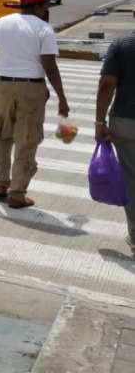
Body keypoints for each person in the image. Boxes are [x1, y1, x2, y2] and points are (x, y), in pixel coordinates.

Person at [0, 0, 69, 209]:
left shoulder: (2, 23)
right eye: (44, 5)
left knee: (2, 134)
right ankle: (16, 194)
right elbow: (49, 66)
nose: (46, 8)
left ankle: (1, 184)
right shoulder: (44, 29)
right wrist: (62, 98)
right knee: (27, 140)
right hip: (30, 89)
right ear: (38, 6)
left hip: (3, 86)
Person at [94, 35, 135, 250]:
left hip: (126, 122)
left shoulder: (122, 45)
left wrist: (99, 121)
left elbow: (107, 83)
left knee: (131, 178)